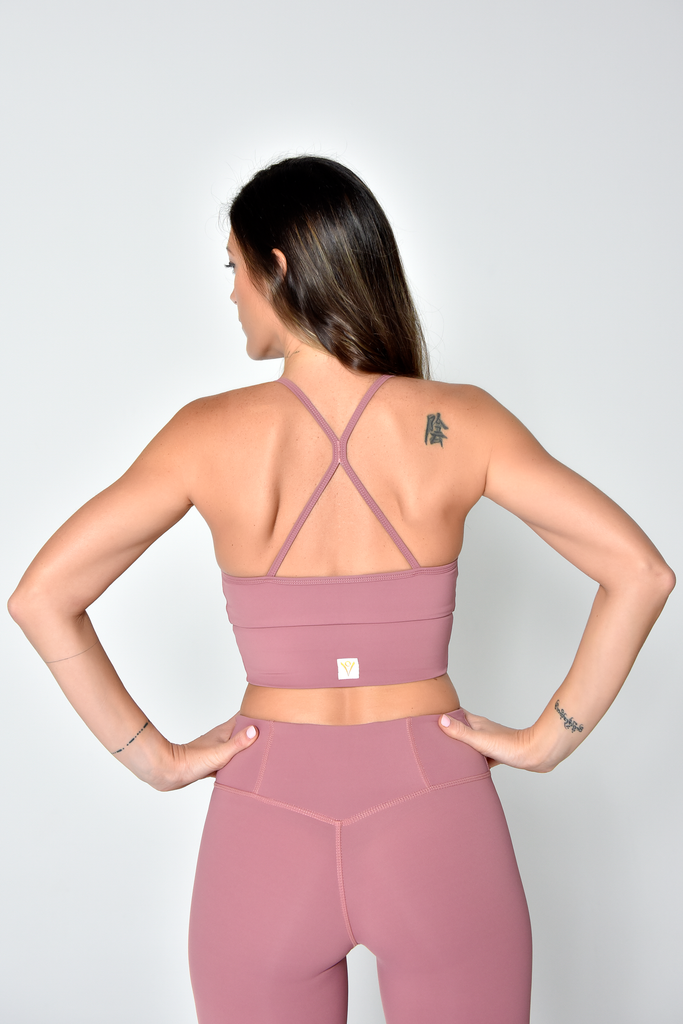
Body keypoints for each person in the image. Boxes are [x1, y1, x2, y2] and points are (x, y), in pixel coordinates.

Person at [8, 155, 675, 1024]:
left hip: (265, 816)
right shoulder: (453, 422)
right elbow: (640, 571)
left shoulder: (206, 435)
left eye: (234, 268)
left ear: (278, 266)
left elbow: (41, 596)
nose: (231, 294)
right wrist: (551, 739)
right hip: (435, 813)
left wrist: (156, 759)